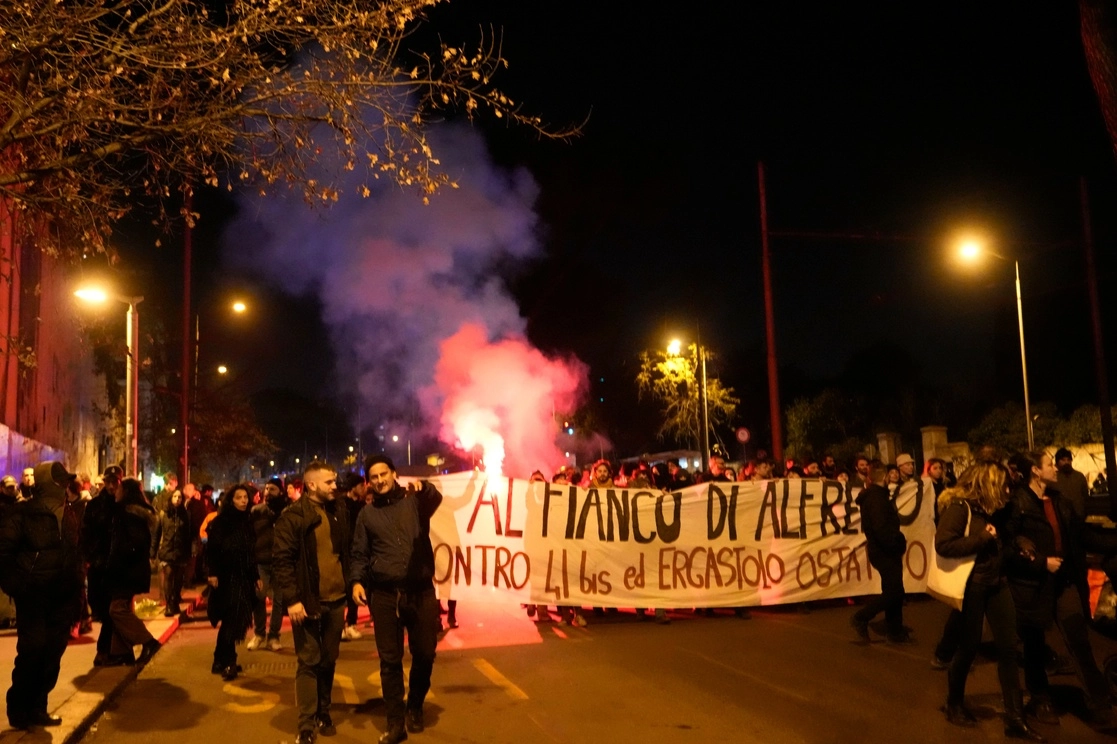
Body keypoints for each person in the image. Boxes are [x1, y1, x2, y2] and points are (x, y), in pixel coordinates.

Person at [1004, 451, 1113, 729]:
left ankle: (1099, 703)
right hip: (1033, 586)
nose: (1055, 468)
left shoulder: (1059, 501)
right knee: (1034, 646)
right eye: (1049, 464)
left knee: (1078, 640)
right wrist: (1040, 562)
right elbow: (1007, 547)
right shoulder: (1017, 504)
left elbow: (1082, 534)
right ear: (1036, 472)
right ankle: (1040, 699)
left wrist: (1113, 543)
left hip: (1063, 582)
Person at [935, 462, 1042, 741]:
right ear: (988, 484)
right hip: (972, 585)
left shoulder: (992, 509)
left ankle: (1015, 719)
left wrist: (1017, 543)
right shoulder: (961, 507)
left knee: (1008, 647)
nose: (1008, 491)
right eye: (1003, 485)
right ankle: (954, 702)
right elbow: (944, 544)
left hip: (998, 582)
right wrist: (982, 538)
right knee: (968, 647)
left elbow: (1002, 538)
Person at [351, 455, 442, 744]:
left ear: (393, 473)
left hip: (420, 591)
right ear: (369, 481)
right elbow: (359, 553)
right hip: (385, 595)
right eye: (373, 477)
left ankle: (414, 705)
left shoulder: (414, 502)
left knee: (425, 653)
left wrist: (425, 488)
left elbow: (434, 498)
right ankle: (395, 722)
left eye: (383, 474)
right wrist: (355, 581)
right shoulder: (366, 515)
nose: (379, 481)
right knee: (390, 661)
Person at [0, 461, 83, 729]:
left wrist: (77, 596)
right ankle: (19, 708)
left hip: (62, 597)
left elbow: (75, 556)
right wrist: (19, 586)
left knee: (53, 653)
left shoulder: (69, 514)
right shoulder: (21, 514)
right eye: (60, 481)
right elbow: (3, 555)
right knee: (32, 650)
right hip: (34, 596)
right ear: (49, 484)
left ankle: (38, 707)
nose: (65, 486)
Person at [273, 462, 350, 744]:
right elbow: (281, 562)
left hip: (337, 600)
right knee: (308, 661)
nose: (335, 485)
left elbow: (346, 553)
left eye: (335, 481)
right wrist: (292, 600)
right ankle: (306, 724)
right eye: (329, 482)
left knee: (328, 660)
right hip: (307, 602)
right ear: (312, 485)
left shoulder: (338, 511)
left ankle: (323, 711)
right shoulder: (293, 517)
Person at [850, 462, 910, 643]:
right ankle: (861, 617)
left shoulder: (876, 497)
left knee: (893, 590)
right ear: (884, 477)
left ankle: (895, 630)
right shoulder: (876, 499)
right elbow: (881, 528)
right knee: (895, 592)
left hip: (883, 549)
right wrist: (896, 542)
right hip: (885, 550)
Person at [206, 484, 259, 681]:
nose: (244, 501)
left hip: (243, 576)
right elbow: (212, 549)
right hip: (226, 577)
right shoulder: (222, 522)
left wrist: (256, 576)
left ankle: (219, 660)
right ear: (231, 500)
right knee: (231, 619)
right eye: (239, 497)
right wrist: (212, 573)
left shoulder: (247, 521)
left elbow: (250, 552)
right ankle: (228, 661)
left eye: (246, 497)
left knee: (233, 619)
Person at [106, 478, 162, 665]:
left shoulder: (129, 514)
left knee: (117, 609)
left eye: (120, 488)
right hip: (130, 568)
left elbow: (135, 543)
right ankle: (120, 653)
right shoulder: (135, 513)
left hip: (127, 569)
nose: (116, 492)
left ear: (126, 491)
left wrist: (118, 556)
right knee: (121, 606)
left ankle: (148, 641)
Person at [83, 465, 123, 666]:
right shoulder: (95, 506)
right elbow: (86, 534)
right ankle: (113, 649)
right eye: (108, 481)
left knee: (111, 611)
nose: (110, 486)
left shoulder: (123, 505)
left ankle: (105, 650)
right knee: (98, 606)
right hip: (98, 566)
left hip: (116, 567)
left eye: (114, 482)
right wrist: (90, 557)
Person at [248, 477, 290, 651]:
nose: (268, 492)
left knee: (279, 600)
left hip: (281, 562)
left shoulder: (288, 512)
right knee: (259, 595)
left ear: (280, 492)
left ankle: (274, 636)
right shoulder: (257, 511)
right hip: (261, 561)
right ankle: (259, 634)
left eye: (272, 489)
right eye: (266, 489)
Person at [153, 488, 192, 616]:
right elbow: (157, 534)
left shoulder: (185, 515)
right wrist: (152, 553)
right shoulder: (163, 514)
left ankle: (175, 601)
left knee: (179, 579)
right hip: (167, 550)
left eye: (179, 497)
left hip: (180, 552)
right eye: (175, 497)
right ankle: (169, 604)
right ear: (170, 498)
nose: (177, 499)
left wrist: (188, 552)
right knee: (168, 575)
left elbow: (188, 535)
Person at [1053, 447, 1089, 522]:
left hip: (1079, 517)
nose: (1066, 462)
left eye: (1068, 460)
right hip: (1061, 519)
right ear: (1057, 462)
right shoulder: (1053, 478)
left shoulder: (1079, 477)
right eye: (1063, 460)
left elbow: (1085, 496)